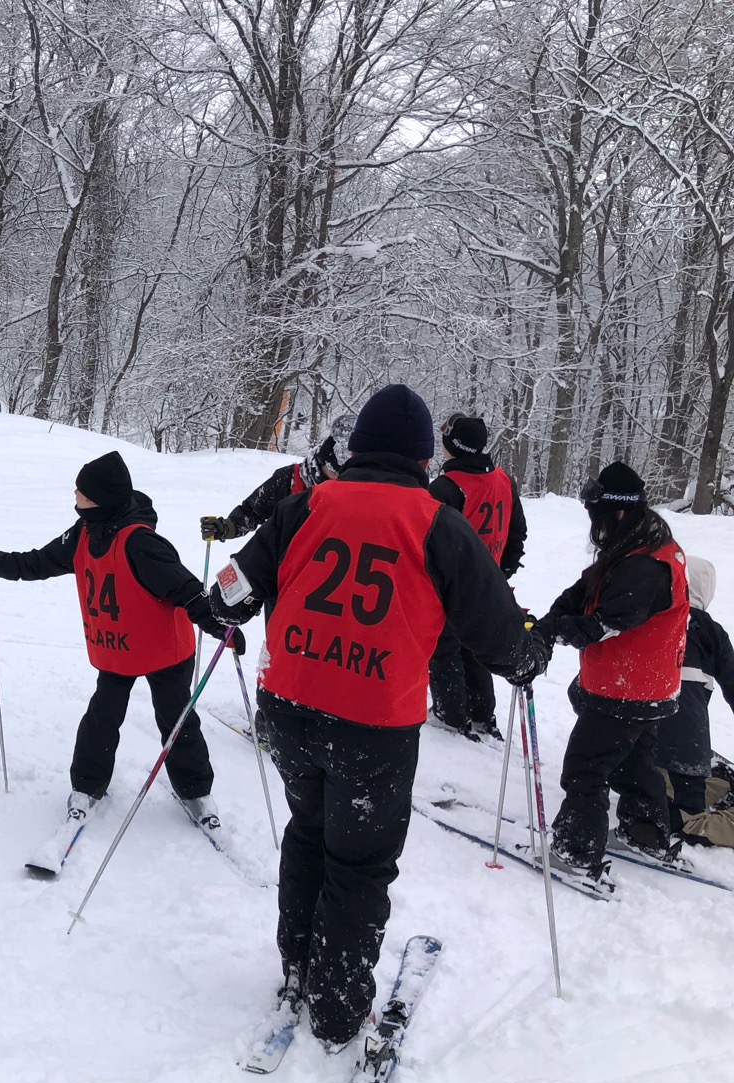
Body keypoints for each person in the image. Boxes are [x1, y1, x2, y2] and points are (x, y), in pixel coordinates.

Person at [209, 384, 548, 1048]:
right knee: (358, 863)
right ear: (426, 459)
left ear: (358, 446)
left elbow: (227, 596)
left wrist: (241, 600)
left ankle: (299, 965)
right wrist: (530, 652)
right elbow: (500, 637)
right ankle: (335, 1008)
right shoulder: (437, 524)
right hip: (370, 725)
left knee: (308, 832)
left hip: (289, 708)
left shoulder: (304, 506)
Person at [0, 451, 243, 822]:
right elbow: (38, 562)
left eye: (81, 492)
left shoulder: (142, 543)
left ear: (100, 498)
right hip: (117, 650)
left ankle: (196, 791)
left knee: (176, 718)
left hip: (165, 651)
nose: (75, 497)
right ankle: (87, 786)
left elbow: (188, 592)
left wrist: (220, 627)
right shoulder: (83, 532)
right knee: (102, 717)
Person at [535, 461, 690, 872]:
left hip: (626, 688)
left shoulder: (646, 566)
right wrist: (550, 619)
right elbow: (588, 587)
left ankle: (577, 853)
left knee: (586, 768)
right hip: (647, 685)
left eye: (599, 516)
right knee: (635, 764)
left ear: (617, 512)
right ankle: (645, 833)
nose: (595, 526)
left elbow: (603, 623)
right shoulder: (637, 543)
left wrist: (555, 632)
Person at [427, 414, 529, 741]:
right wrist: (503, 572)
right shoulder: (503, 480)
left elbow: (426, 537)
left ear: (452, 446)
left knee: (445, 650)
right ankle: (483, 715)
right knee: (476, 651)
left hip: (453, 584)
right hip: (488, 585)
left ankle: (450, 715)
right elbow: (518, 532)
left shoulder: (446, 487)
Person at [627, 556, 734, 839]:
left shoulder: (647, 619)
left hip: (634, 742)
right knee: (689, 814)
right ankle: (681, 819)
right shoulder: (710, 631)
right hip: (686, 748)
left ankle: (657, 799)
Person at [200, 413, 354, 543]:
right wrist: (226, 527)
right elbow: (252, 512)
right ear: (322, 461)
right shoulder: (289, 479)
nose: (340, 481)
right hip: (286, 566)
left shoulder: (360, 493)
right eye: (336, 472)